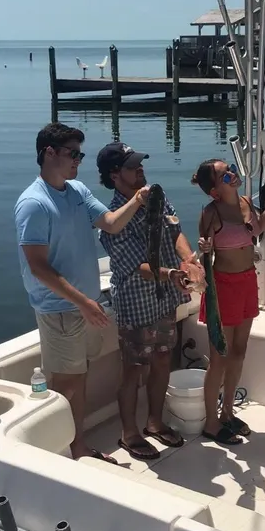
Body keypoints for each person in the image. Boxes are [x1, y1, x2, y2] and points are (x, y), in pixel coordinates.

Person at [14, 123, 146, 462]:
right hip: (61, 309)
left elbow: (113, 223)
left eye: (80, 154)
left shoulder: (77, 190)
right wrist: (84, 302)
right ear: (49, 153)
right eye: (74, 154)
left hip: (86, 305)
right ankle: (72, 449)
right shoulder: (33, 203)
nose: (79, 161)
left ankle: (75, 444)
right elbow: (39, 267)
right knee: (68, 385)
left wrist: (137, 199)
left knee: (79, 379)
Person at [97, 142, 201, 460]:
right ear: (114, 175)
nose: (140, 169)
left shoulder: (156, 195)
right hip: (137, 302)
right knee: (133, 370)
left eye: (140, 163)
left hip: (166, 297)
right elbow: (137, 269)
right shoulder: (112, 222)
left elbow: (176, 232)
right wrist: (171, 274)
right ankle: (129, 433)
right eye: (132, 166)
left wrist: (188, 262)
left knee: (162, 361)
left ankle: (155, 422)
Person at [193, 159, 265, 443]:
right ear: (215, 191)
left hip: (247, 282)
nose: (232, 174)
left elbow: (257, 230)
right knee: (219, 358)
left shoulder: (246, 202)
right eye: (224, 174)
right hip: (223, 288)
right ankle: (210, 422)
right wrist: (204, 249)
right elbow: (204, 257)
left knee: (239, 352)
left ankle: (227, 414)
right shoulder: (210, 213)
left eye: (231, 168)